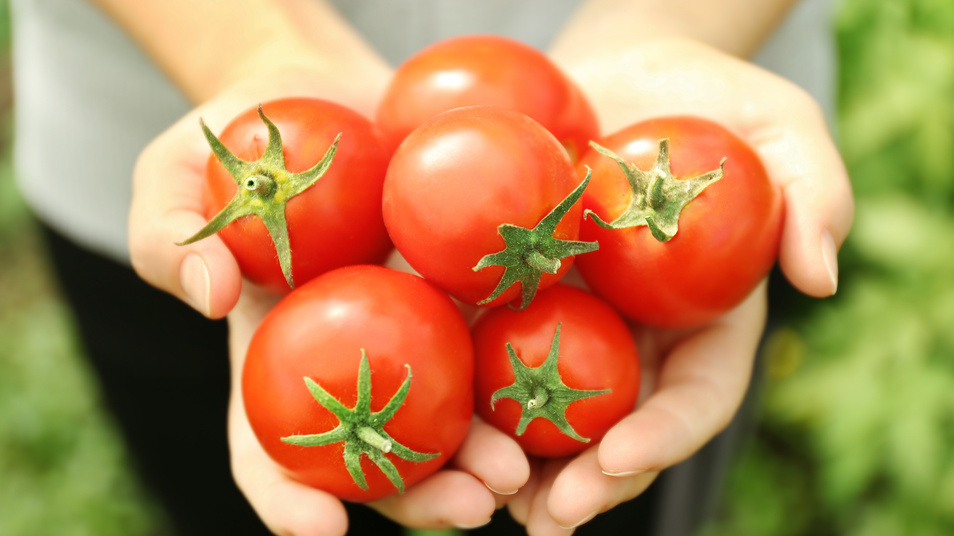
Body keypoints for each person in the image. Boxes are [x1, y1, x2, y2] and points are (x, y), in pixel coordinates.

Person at [9, 0, 853, 534]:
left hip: (682, 87)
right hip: (154, 112)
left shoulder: (598, 209)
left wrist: (677, 21)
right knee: (209, 489)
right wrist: (245, 43)